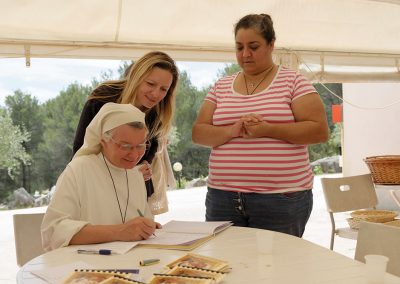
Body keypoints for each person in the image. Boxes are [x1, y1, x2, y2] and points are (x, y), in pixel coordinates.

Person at [192, 14, 329, 237]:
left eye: (254, 46)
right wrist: (232, 130)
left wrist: (268, 129)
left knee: (276, 267)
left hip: (281, 199)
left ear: (271, 44)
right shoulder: (221, 86)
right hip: (223, 197)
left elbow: (319, 131)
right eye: (239, 47)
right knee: (226, 265)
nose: (245, 54)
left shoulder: (294, 81)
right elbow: (199, 133)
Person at [41, 103, 161, 251]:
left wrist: (146, 226)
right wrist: (120, 231)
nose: (134, 155)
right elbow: (53, 231)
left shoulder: (136, 175)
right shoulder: (79, 169)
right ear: (104, 142)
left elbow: (139, 220)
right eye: (125, 146)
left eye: (141, 145)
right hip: (86, 267)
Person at [73, 51, 179, 214]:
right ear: (137, 76)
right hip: (98, 190)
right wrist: (126, 173)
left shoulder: (157, 112)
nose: (156, 94)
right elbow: (81, 149)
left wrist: (144, 165)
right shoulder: (103, 98)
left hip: (136, 193)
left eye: (164, 89)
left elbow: (151, 147)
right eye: (150, 84)